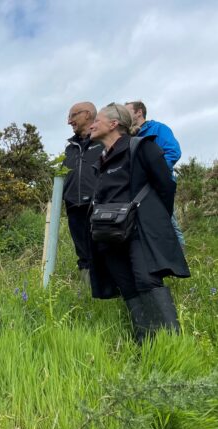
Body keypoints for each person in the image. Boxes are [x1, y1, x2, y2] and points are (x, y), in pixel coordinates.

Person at [88, 103, 190, 344]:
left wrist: (151, 219)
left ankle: (169, 345)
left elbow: (165, 186)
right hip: (108, 236)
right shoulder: (100, 160)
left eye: (97, 121)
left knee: (146, 280)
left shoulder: (142, 147)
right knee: (128, 286)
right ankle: (146, 345)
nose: (92, 125)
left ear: (114, 124)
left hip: (139, 231)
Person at [125, 100, 185, 247]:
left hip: (156, 185)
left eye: (127, 111)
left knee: (168, 221)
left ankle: (181, 263)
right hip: (136, 187)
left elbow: (173, 152)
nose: (124, 115)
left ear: (139, 112)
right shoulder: (128, 135)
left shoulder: (158, 129)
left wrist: (156, 172)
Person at [62, 102, 103, 284]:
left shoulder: (103, 141)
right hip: (74, 207)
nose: (69, 121)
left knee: (104, 248)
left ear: (87, 115)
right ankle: (89, 293)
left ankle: (109, 291)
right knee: (82, 252)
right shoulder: (70, 148)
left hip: (99, 206)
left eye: (73, 116)